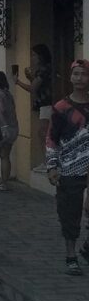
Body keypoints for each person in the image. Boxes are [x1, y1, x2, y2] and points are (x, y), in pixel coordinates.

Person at [45, 60, 89, 276]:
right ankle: (71, 254)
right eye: (76, 74)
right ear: (71, 77)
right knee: (70, 214)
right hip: (69, 168)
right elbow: (51, 138)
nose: (80, 78)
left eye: (84, 74)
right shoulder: (61, 108)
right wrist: (52, 166)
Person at [15, 44, 53, 159]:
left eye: (34, 55)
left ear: (41, 56)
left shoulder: (44, 70)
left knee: (43, 133)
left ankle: (47, 161)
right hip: (44, 103)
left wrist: (17, 82)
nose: (32, 58)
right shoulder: (43, 70)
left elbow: (33, 88)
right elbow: (39, 86)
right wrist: (30, 77)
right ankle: (46, 161)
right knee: (43, 133)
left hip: (47, 103)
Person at [0, 71, 19, 190]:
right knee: (5, 156)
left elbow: (0, 110)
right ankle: (4, 182)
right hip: (13, 127)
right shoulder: (7, 93)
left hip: (1, 128)